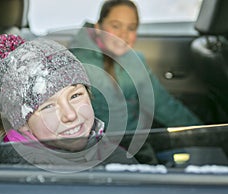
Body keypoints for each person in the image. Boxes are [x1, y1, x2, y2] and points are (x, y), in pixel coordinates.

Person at [0, 34, 139, 168]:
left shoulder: (92, 140)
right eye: (48, 106)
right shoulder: (34, 173)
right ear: (22, 123)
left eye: (75, 96)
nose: (70, 115)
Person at [69, 0, 202, 131]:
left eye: (131, 28)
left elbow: (161, 104)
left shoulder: (135, 60)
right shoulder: (79, 64)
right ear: (98, 28)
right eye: (115, 26)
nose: (123, 34)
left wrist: (200, 131)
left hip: (138, 137)